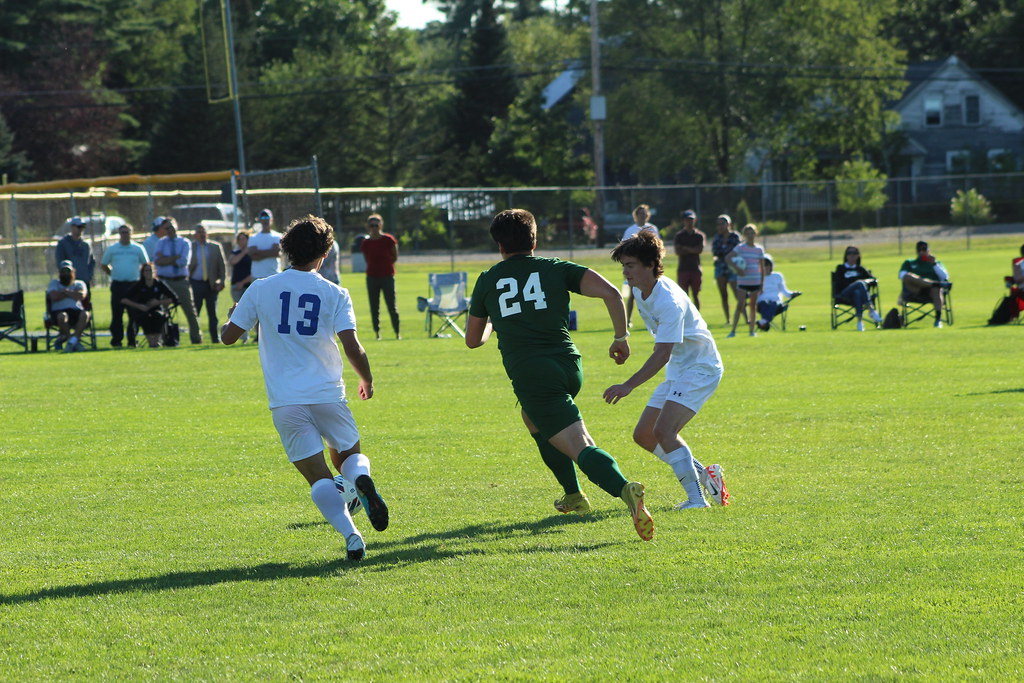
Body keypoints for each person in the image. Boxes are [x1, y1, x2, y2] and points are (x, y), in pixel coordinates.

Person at [466, 208, 654, 542]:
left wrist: (496, 317)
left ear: (499, 245)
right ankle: (574, 496)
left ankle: (626, 490)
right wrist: (620, 338)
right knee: (534, 419)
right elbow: (612, 292)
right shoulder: (556, 268)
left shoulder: (488, 280)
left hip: (532, 374)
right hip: (569, 366)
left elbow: (473, 340)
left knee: (577, 443)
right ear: (535, 239)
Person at [221, 215, 388, 562]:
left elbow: (228, 337)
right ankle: (360, 479)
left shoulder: (261, 288)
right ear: (324, 255)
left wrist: (233, 314)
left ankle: (352, 536)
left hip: (286, 401)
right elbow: (352, 345)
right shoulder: (334, 292)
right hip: (329, 394)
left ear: (284, 251)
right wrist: (367, 379)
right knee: (350, 457)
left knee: (318, 479)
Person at [604, 231, 728, 509]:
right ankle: (705, 475)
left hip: (701, 368)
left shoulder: (667, 301)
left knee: (665, 431)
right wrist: (622, 339)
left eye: (631, 265)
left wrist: (628, 385)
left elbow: (662, 354)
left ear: (650, 264)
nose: (625, 272)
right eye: (623, 265)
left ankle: (697, 500)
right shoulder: (640, 289)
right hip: (680, 368)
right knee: (644, 434)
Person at [153, 218, 203, 344]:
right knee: (161, 311)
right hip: (165, 282)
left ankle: (196, 338)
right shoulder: (161, 243)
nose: (169, 230)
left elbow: (183, 262)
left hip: (180, 281)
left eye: (171, 227)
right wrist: (175, 257)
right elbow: (157, 262)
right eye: (166, 228)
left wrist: (166, 259)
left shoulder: (184, 242)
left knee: (190, 312)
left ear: (176, 226)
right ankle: (160, 339)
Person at [100, 223, 149, 348]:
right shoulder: (113, 249)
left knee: (134, 314)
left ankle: (132, 340)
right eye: (122, 232)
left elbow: (146, 264)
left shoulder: (138, 248)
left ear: (131, 233)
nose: (124, 235)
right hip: (118, 285)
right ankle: (117, 340)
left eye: (127, 232)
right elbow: (104, 264)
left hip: (133, 285)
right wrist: (113, 274)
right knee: (117, 314)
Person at [359, 213, 400, 340]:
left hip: (387, 276)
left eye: (376, 225)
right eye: (372, 225)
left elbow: (394, 256)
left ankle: (397, 332)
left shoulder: (388, 240)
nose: (374, 228)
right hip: (372, 277)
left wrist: (386, 266)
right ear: (368, 227)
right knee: (374, 306)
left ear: (381, 225)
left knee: (391, 305)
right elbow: (367, 258)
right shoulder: (366, 242)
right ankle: (377, 332)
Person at [620, 204, 660, 327]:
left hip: (649, 266)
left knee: (655, 293)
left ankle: (656, 318)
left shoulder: (652, 228)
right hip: (634, 268)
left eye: (644, 213)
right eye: (640, 214)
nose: (642, 216)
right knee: (633, 294)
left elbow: (657, 247)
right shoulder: (630, 230)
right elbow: (624, 249)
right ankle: (628, 320)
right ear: (635, 216)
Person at [122, 263, 178, 348]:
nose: (148, 272)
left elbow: (174, 298)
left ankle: (156, 341)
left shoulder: (159, 284)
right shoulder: (139, 285)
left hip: (157, 310)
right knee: (145, 317)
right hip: (142, 310)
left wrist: (158, 302)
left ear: (154, 271)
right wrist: (139, 306)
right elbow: (124, 299)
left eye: (150, 270)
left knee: (158, 317)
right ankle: (151, 342)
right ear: (143, 273)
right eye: (146, 270)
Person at [188, 224, 227, 344]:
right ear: (195, 235)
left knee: (212, 313)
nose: (202, 234)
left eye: (203, 232)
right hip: (195, 283)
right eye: (199, 232)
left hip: (211, 284)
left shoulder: (215, 247)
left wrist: (221, 281)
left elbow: (222, 266)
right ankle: (196, 338)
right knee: (195, 313)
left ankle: (215, 338)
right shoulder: (191, 247)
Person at [898, 240, 950, 328]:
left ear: (928, 250)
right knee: (908, 276)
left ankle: (938, 320)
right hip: (915, 291)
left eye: (924, 249)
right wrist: (921, 281)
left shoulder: (936, 263)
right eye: (919, 250)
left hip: (932, 292)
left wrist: (934, 264)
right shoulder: (910, 263)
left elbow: (945, 277)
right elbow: (902, 276)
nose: (921, 252)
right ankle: (931, 283)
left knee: (936, 289)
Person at [727, 224, 765, 338]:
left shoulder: (759, 249)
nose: (750, 235)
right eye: (748, 233)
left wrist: (762, 283)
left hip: (755, 281)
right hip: (743, 281)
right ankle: (733, 331)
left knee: (753, 306)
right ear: (744, 235)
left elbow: (762, 267)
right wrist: (738, 269)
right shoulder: (740, 248)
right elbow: (728, 258)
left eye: (752, 233)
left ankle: (752, 331)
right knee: (740, 305)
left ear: (755, 234)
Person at [833, 246, 882, 331]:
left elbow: (873, 280)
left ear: (858, 256)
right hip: (844, 294)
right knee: (859, 283)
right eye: (849, 253)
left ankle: (859, 323)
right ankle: (871, 310)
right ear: (846, 256)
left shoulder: (860, 269)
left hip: (859, 296)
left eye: (854, 253)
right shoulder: (841, 268)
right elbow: (839, 283)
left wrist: (865, 282)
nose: (852, 256)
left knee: (857, 292)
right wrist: (856, 282)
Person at [47, 260, 91, 353]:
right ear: (59, 272)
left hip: (76, 310)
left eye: (68, 271)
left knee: (86, 314)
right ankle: (74, 342)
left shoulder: (79, 283)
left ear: (73, 272)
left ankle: (71, 341)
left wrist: (65, 291)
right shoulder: (54, 283)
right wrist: (72, 294)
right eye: (63, 272)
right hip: (59, 311)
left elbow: (81, 296)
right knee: (62, 316)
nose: (66, 274)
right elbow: (54, 297)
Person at [710, 214, 742, 326]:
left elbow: (737, 250)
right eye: (718, 224)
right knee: (724, 295)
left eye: (723, 223)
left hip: (733, 267)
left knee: (738, 294)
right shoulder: (717, 238)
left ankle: (746, 317)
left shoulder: (735, 236)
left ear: (729, 224)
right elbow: (715, 251)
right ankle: (728, 319)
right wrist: (726, 253)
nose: (720, 226)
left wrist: (725, 253)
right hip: (720, 268)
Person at [755, 255, 801, 331]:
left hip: (776, 301)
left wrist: (793, 294)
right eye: (762, 265)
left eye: (766, 265)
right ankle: (764, 323)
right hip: (761, 302)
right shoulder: (757, 277)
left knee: (772, 304)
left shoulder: (777, 276)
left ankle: (763, 322)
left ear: (771, 266)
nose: (765, 267)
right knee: (764, 303)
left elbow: (785, 291)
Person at [673, 209, 705, 310]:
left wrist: (685, 248)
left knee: (696, 295)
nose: (689, 222)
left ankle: (697, 316)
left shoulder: (699, 235)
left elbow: (699, 250)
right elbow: (678, 251)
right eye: (687, 220)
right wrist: (692, 249)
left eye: (691, 220)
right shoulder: (679, 236)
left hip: (695, 268)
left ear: (695, 220)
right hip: (683, 269)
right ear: (684, 221)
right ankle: (686, 317)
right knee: (683, 296)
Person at [229, 230, 255, 343]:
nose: (241, 241)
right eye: (239, 239)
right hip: (235, 286)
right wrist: (243, 252)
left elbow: (254, 272)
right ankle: (243, 337)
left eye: (243, 239)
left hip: (248, 286)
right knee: (238, 312)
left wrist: (243, 283)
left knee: (251, 312)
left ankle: (256, 336)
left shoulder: (252, 255)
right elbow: (232, 261)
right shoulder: (236, 252)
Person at [55, 216, 96, 287]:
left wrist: (88, 276)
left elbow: (92, 262)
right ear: (72, 227)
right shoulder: (63, 243)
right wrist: (67, 277)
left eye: (83, 227)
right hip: (70, 283)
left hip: (84, 282)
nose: (81, 229)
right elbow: (60, 262)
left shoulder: (86, 244)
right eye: (79, 227)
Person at [248, 208, 282, 281]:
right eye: (263, 217)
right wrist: (271, 252)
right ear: (259, 220)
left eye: (267, 217)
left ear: (271, 219)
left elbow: (276, 252)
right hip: (257, 276)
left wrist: (258, 252)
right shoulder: (253, 237)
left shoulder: (277, 236)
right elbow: (253, 256)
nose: (265, 220)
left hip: (273, 275)